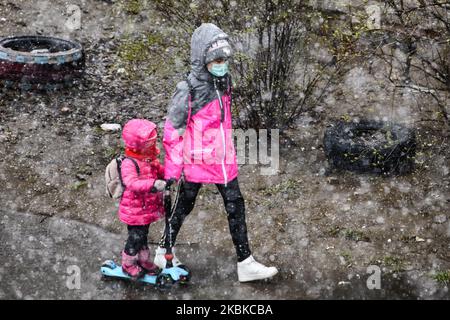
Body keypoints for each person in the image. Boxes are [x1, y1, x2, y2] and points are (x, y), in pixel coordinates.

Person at [154, 23, 278, 282]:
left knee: (236, 206)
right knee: (184, 206)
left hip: (223, 161)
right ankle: (163, 250)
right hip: (196, 162)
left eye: (224, 59)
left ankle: (245, 262)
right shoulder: (188, 89)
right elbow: (172, 132)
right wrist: (173, 171)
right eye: (216, 60)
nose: (222, 64)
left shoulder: (224, 82)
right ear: (203, 59)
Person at [119, 119, 167, 279]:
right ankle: (128, 263)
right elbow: (131, 183)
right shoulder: (129, 163)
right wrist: (153, 184)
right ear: (139, 145)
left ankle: (143, 260)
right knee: (135, 238)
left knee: (143, 236)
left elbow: (160, 171)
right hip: (134, 210)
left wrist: (171, 174)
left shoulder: (149, 159)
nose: (152, 146)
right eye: (149, 143)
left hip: (145, 209)